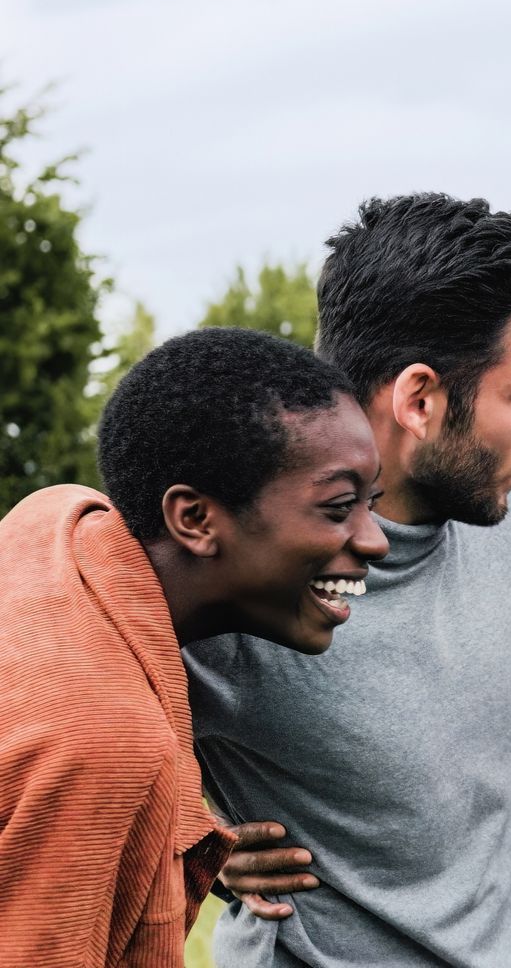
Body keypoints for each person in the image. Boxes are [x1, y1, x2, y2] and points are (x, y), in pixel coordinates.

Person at [187, 194, 511, 966]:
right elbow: (62, 701)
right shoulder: (242, 582)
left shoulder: (509, 502)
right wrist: (188, 835)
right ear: (421, 400)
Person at [0, 328, 385, 967]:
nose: (374, 541)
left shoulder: (58, 521)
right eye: (339, 506)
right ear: (195, 519)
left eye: (372, 503)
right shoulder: (106, 740)